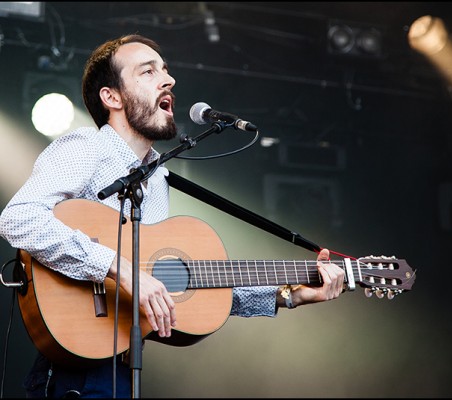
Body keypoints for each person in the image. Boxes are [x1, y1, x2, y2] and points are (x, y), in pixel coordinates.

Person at [0, 34, 345, 398]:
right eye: (148, 72)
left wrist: (289, 295)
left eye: (165, 70)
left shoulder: (158, 178)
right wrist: (121, 268)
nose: (169, 80)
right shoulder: (87, 147)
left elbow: (181, 287)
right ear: (111, 97)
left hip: (123, 367)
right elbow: (19, 218)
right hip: (75, 374)